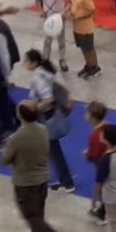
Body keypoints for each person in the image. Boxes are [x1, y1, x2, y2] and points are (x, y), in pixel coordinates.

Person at [1, 100, 71, 232]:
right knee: (38, 211)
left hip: (25, 183)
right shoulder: (43, 129)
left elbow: (4, 160)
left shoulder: (16, 138)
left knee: (32, 217)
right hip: (42, 179)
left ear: (20, 115)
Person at [24, 50, 74, 191]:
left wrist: (34, 109)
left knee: (53, 150)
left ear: (34, 63)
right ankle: (63, 177)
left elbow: (48, 99)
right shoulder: (46, 72)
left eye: (26, 61)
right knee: (52, 149)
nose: (24, 64)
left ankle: (66, 181)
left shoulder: (38, 78)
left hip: (46, 117)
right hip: (50, 115)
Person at [34, 0, 70, 72]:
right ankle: (45, 60)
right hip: (48, 18)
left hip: (59, 18)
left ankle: (62, 59)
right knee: (47, 41)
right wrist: (40, 10)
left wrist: (64, 12)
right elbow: (37, 0)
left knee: (61, 40)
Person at [67, 0, 100, 78]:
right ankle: (88, 64)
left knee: (89, 48)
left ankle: (95, 66)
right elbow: (70, 4)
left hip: (85, 28)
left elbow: (91, 10)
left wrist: (78, 16)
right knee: (82, 47)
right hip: (76, 27)